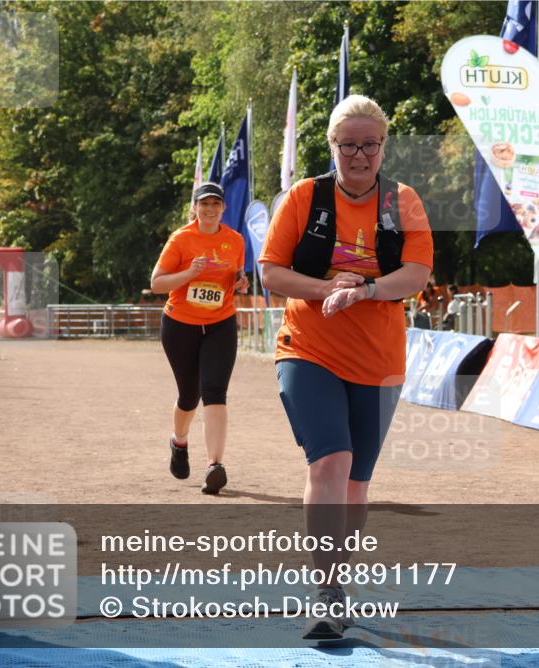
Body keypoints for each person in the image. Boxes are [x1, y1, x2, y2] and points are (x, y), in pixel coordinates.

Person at [260, 94, 433, 640]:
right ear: (332, 146)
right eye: (348, 145)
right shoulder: (303, 198)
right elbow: (270, 271)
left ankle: (341, 579)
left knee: (358, 484)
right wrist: (326, 289)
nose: (359, 155)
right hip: (308, 349)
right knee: (329, 464)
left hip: (379, 361)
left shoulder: (402, 202)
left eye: (370, 145)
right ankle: (328, 590)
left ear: (383, 147)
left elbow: (417, 274)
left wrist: (368, 292)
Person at [150, 181, 249, 495]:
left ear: (223, 208)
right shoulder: (182, 239)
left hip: (220, 323)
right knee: (190, 395)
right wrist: (188, 274)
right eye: (204, 204)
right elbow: (157, 283)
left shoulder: (234, 240)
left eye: (215, 204)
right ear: (195, 207)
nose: (209, 209)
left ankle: (214, 465)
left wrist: (242, 282)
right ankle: (179, 441)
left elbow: (235, 278)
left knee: (215, 390)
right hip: (180, 325)